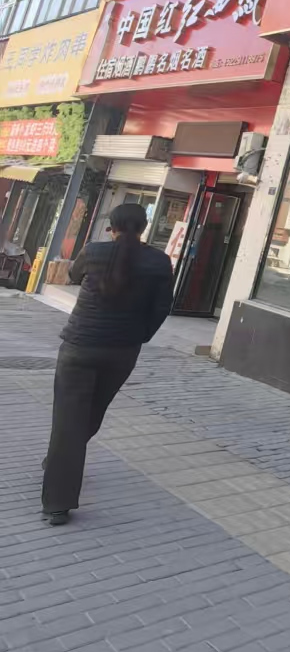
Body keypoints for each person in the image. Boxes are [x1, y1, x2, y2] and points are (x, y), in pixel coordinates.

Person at [42, 203, 173, 524]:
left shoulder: (93, 251)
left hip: (79, 346)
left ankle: (58, 502)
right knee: (92, 415)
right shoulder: (160, 261)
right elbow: (162, 308)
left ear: (111, 227)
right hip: (122, 352)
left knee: (69, 421)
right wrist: (140, 336)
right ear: (144, 228)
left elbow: (73, 275)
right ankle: (59, 460)